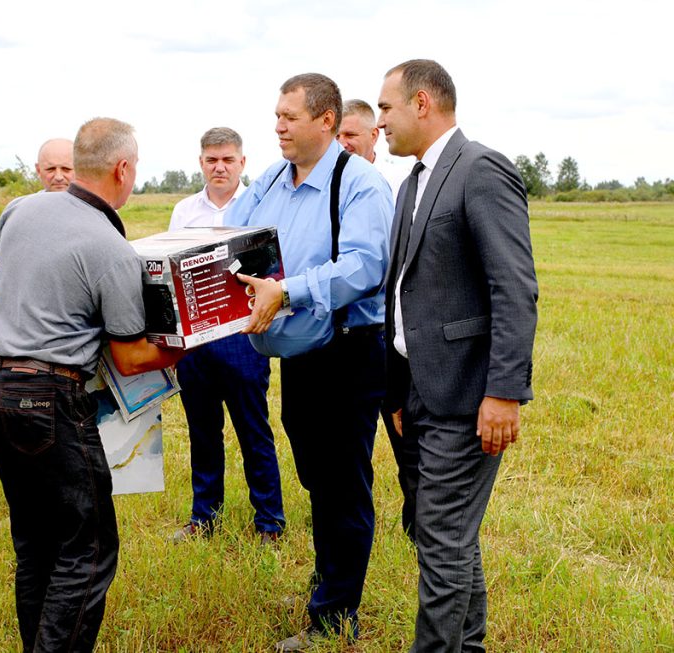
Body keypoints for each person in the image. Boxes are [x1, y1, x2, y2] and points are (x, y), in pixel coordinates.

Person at [0, 118, 184, 653]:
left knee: (36, 543)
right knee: (87, 550)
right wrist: (194, 339)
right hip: (48, 401)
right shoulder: (109, 245)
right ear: (123, 169)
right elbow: (131, 357)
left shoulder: (20, 210)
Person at [225, 73, 394, 650]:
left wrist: (288, 291)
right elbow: (233, 237)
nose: (278, 126)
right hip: (298, 358)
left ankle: (334, 619)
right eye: (276, 115)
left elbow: (366, 267)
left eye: (289, 117)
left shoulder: (360, 184)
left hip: (348, 353)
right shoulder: (273, 178)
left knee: (342, 483)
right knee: (317, 477)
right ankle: (330, 583)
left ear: (326, 120)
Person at [378, 59, 538, 651]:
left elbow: (513, 288)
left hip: (468, 395)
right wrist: (398, 392)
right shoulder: (411, 184)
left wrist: (504, 392)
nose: (380, 122)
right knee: (446, 537)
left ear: (421, 103)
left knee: (442, 539)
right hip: (419, 392)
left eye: (386, 108)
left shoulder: (480, 169)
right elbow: (402, 292)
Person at [167, 127, 285, 545]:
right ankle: (204, 518)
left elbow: (272, 271)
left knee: (253, 430)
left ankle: (269, 522)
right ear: (201, 162)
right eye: (212, 160)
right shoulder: (184, 211)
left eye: (228, 159)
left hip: (242, 334)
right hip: (195, 341)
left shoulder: (260, 207)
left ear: (242, 163)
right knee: (202, 431)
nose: (220, 167)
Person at [339, 97, 421, 542]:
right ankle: (354, 526)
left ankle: (419, 527)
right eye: (338, 135)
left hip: (392, 334)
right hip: (348, 335)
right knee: (352, 446)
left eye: (351, 134)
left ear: (373, 135)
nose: (343, 143)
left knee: (407, 438)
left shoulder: (398, 184)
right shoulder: (332, 187)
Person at [0, 138, 74, 317]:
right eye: (50, 169)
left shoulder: (98, 215)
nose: (59, 176)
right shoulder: (17, 213)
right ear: (38, 170)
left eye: (66, 169)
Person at [336, 99, 380, 164]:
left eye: (350, 135)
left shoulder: (392, 170)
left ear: (373, 136)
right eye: (336, 137)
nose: (341, 144)